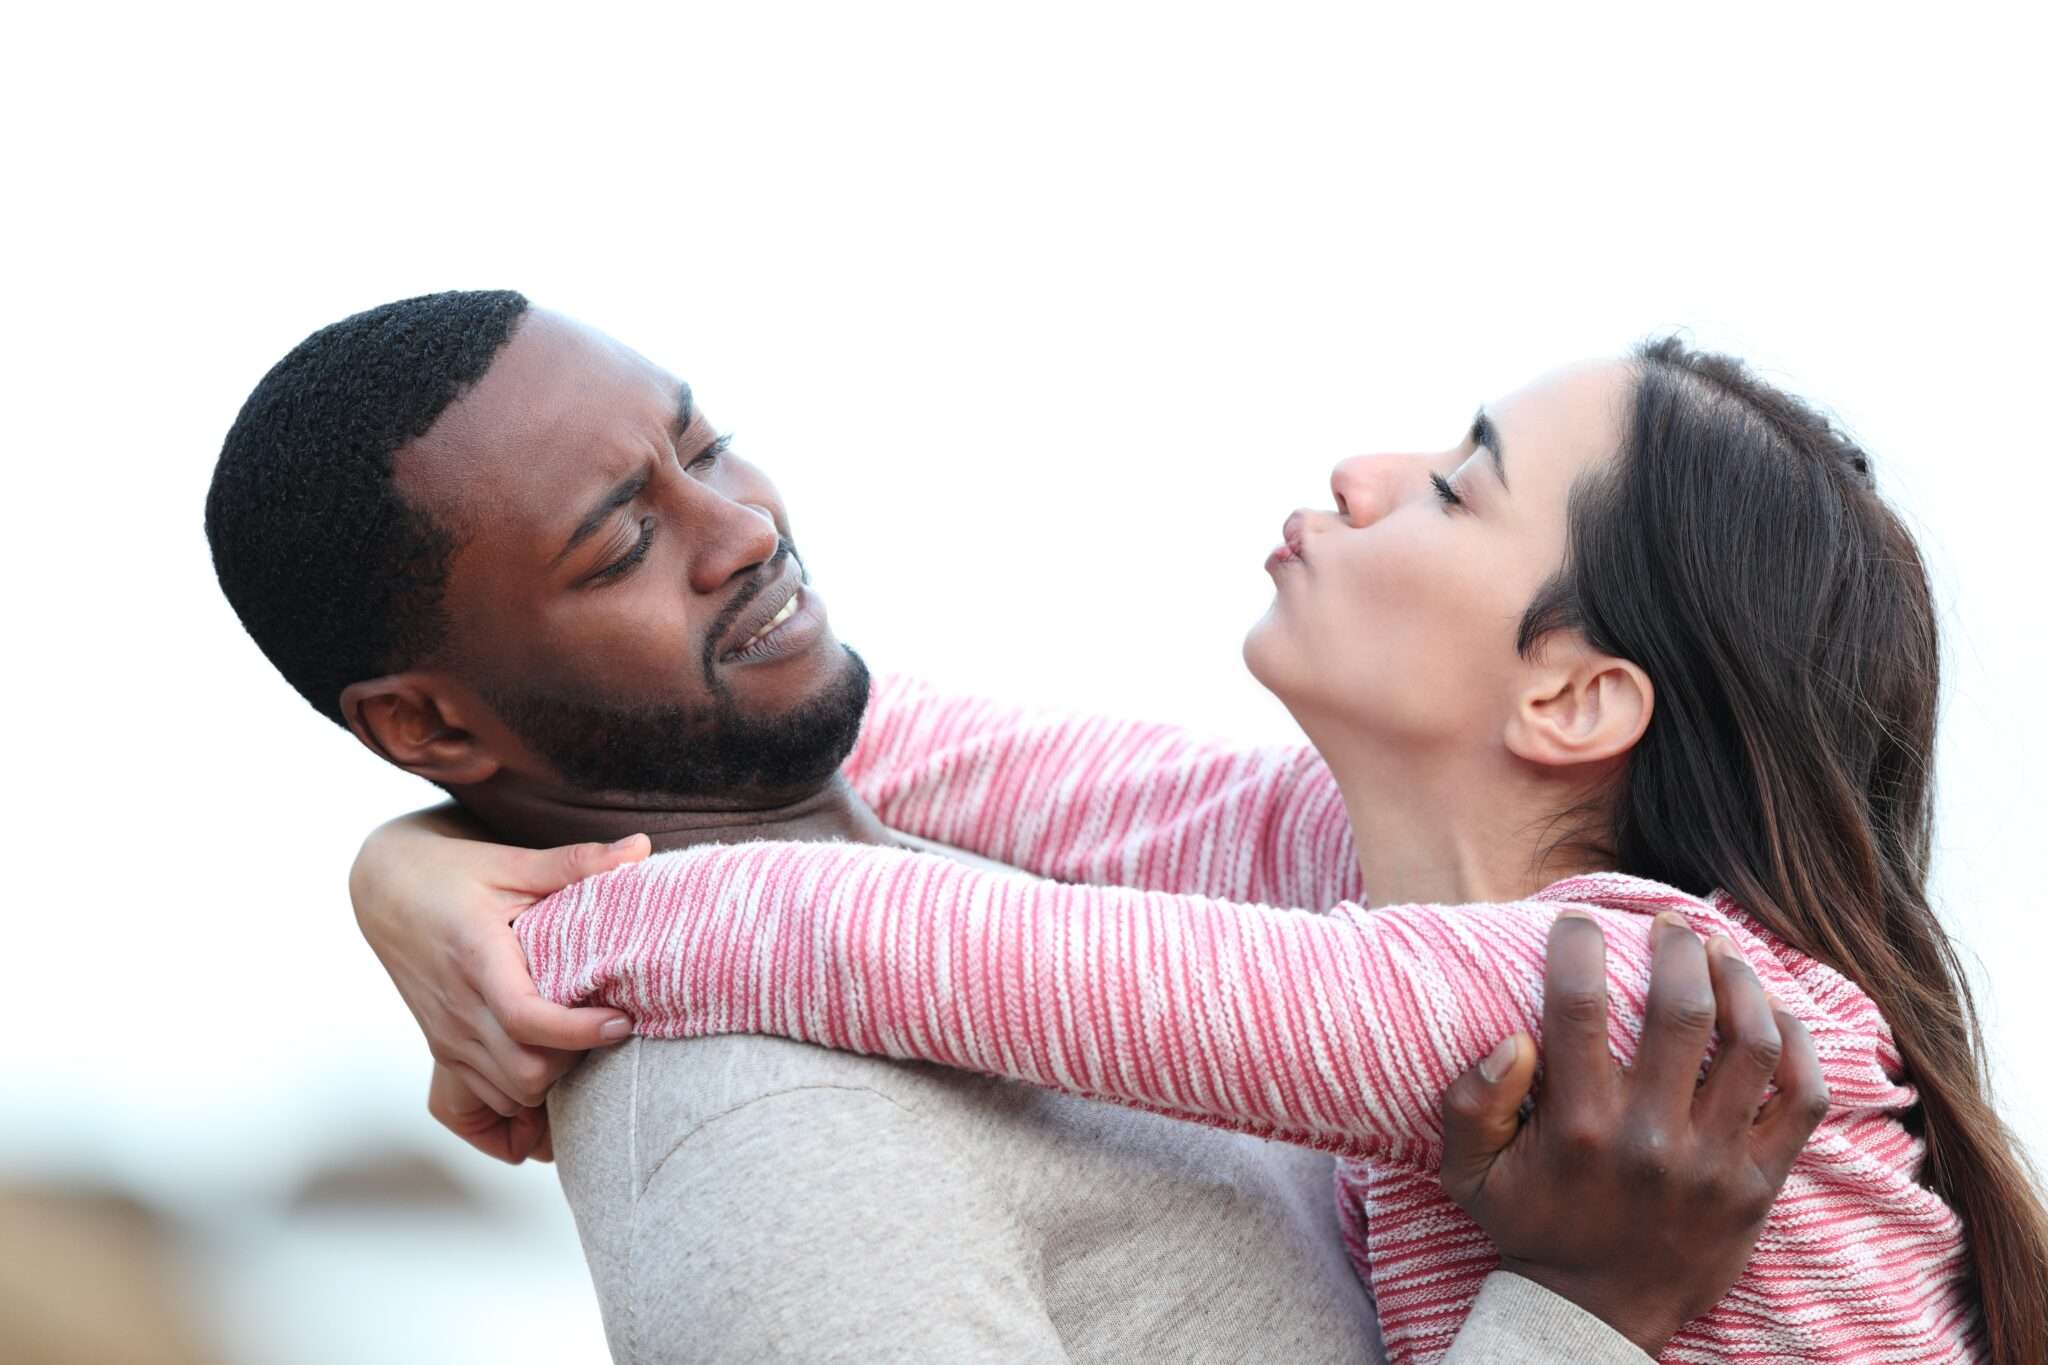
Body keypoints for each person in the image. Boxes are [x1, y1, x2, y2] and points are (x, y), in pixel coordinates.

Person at [346, 322, 2048, 1360]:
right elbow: (851, 735)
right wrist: (421, 850)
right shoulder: (1328, 852)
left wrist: (550, 935)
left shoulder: (1613, 997)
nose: (1364, 470)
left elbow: (956, 958)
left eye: (1458, 484)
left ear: (1575, 697)